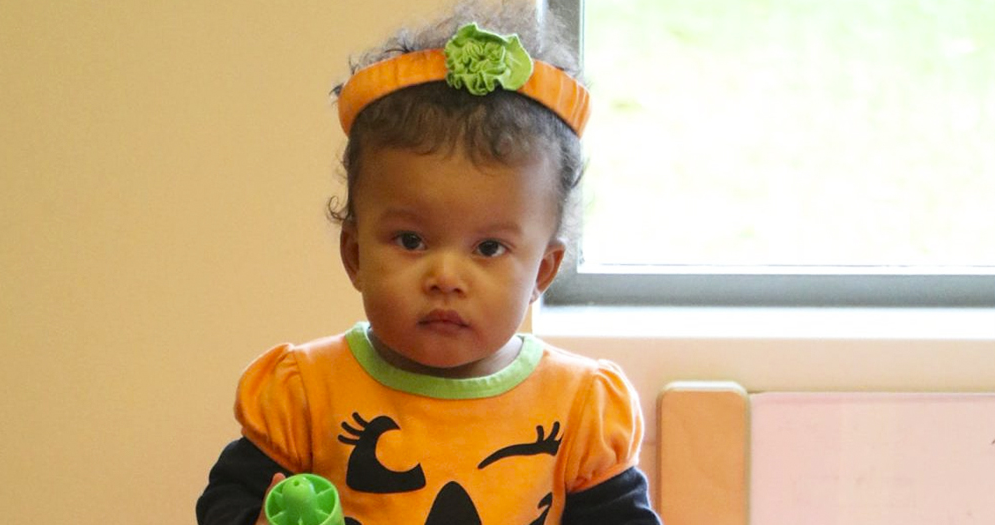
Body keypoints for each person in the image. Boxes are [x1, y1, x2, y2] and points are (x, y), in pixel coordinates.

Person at [197, 2, 661, 524]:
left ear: (544, 271)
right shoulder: (304, 394)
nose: (445, 277)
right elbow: (223, 504)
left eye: (488, 248)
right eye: (412, 240)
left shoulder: (579, 408)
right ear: (355, 254)